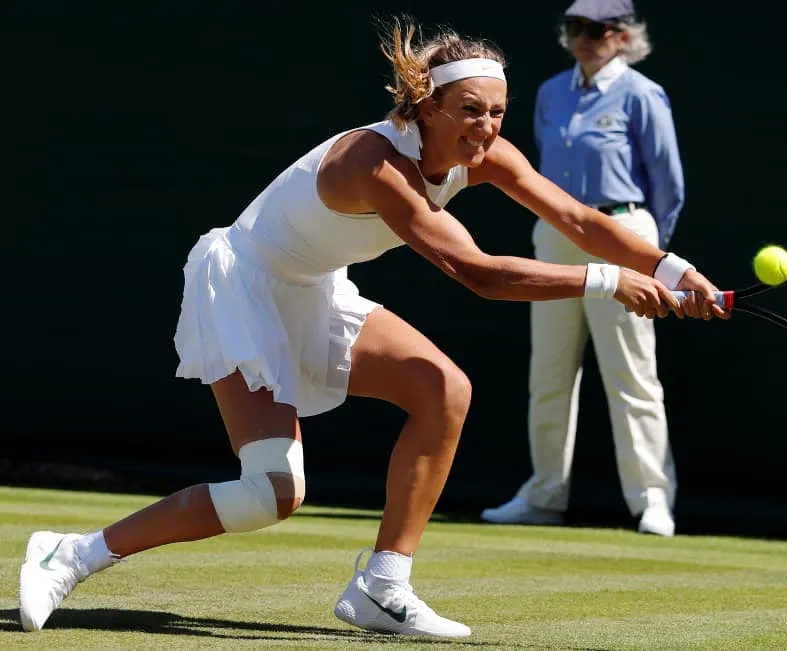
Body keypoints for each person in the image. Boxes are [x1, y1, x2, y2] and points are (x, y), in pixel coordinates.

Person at [17, 17, 727, 639]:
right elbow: (474, 271)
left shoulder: (485, 155)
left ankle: (382, 585)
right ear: (425, 105)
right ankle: (72, 554)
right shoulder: (375, 162)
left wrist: (672, 269)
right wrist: (605, 279)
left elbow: (577, 219)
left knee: (443, 388)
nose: (485, 128)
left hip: (316, 288)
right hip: (244, 283)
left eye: (497, 112)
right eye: (469, 111)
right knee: (272, 492)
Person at [481, 0, 686, 536]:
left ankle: (652, 501)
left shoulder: (643, 95)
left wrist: (650, 256)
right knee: (548, 372)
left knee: (631, 375)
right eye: (576, 27)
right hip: (554, 234)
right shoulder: (550, 93)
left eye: (598, 29)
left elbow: (668, 186)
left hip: (622, 232)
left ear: (622, 36)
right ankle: (545, 494)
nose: (585, 37)